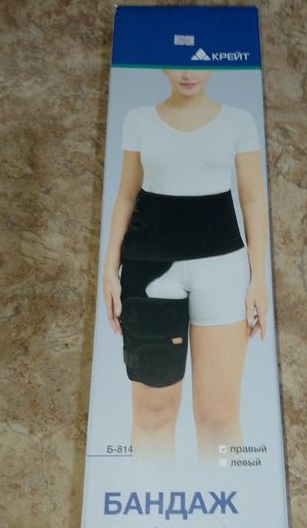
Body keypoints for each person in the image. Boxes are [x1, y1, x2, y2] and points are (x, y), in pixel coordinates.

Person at [102, 68, 269, 460]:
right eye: (179, 63)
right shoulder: (139, 120)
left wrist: (259, 279)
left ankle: (231, 499)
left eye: (197, 63)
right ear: (163, 65)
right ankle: (150, 498)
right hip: (149, 270)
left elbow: (252, 199)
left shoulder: (239, 121)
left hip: (223, 271)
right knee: (153, 416)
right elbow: (126, 195)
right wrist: (109, 270)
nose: (189, 72)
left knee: (219, 420)